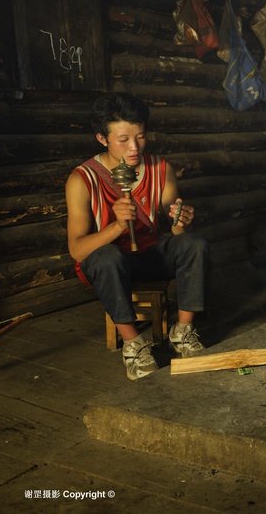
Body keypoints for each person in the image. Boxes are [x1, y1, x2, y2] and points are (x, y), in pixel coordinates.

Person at [66, 93, 208, 380]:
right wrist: (117, 227)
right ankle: (133, 345)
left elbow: (177, 231)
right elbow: (77, 251)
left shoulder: (161, 169)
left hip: (150, 255)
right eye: (123, 140)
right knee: (107, 257)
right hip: (111, 265)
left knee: (194, 244)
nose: (134, 148)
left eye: (140, 137)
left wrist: (180, 219)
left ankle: (183, 331)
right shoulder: (82, 179)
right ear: (102, 138)